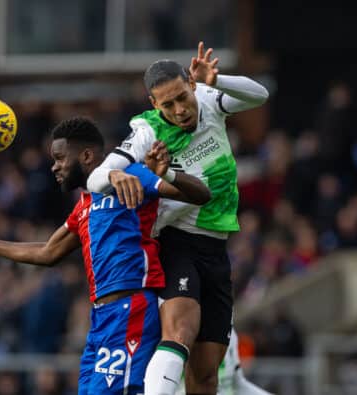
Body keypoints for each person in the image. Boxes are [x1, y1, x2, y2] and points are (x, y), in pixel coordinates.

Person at [0, 117, 211, 395]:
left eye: (60, 158)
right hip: (101, 320)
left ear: (86, 155)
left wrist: (166, 175)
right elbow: (48, 251)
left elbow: (199, 194)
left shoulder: (130, 176)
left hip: (130, 310)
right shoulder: (84, 206)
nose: (54, 166)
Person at [86, 42, 269, 395]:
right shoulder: (148, 131)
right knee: (181, 331)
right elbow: (96, 177)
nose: (180, 110)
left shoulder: (210, 100)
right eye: (167, 104)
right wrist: (114, 175)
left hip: (216, 249)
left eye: (182, 97)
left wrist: (217, 79)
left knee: (206, 373)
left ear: (191, 84)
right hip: (175, 242)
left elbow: (258, 95)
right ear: (155, 105)